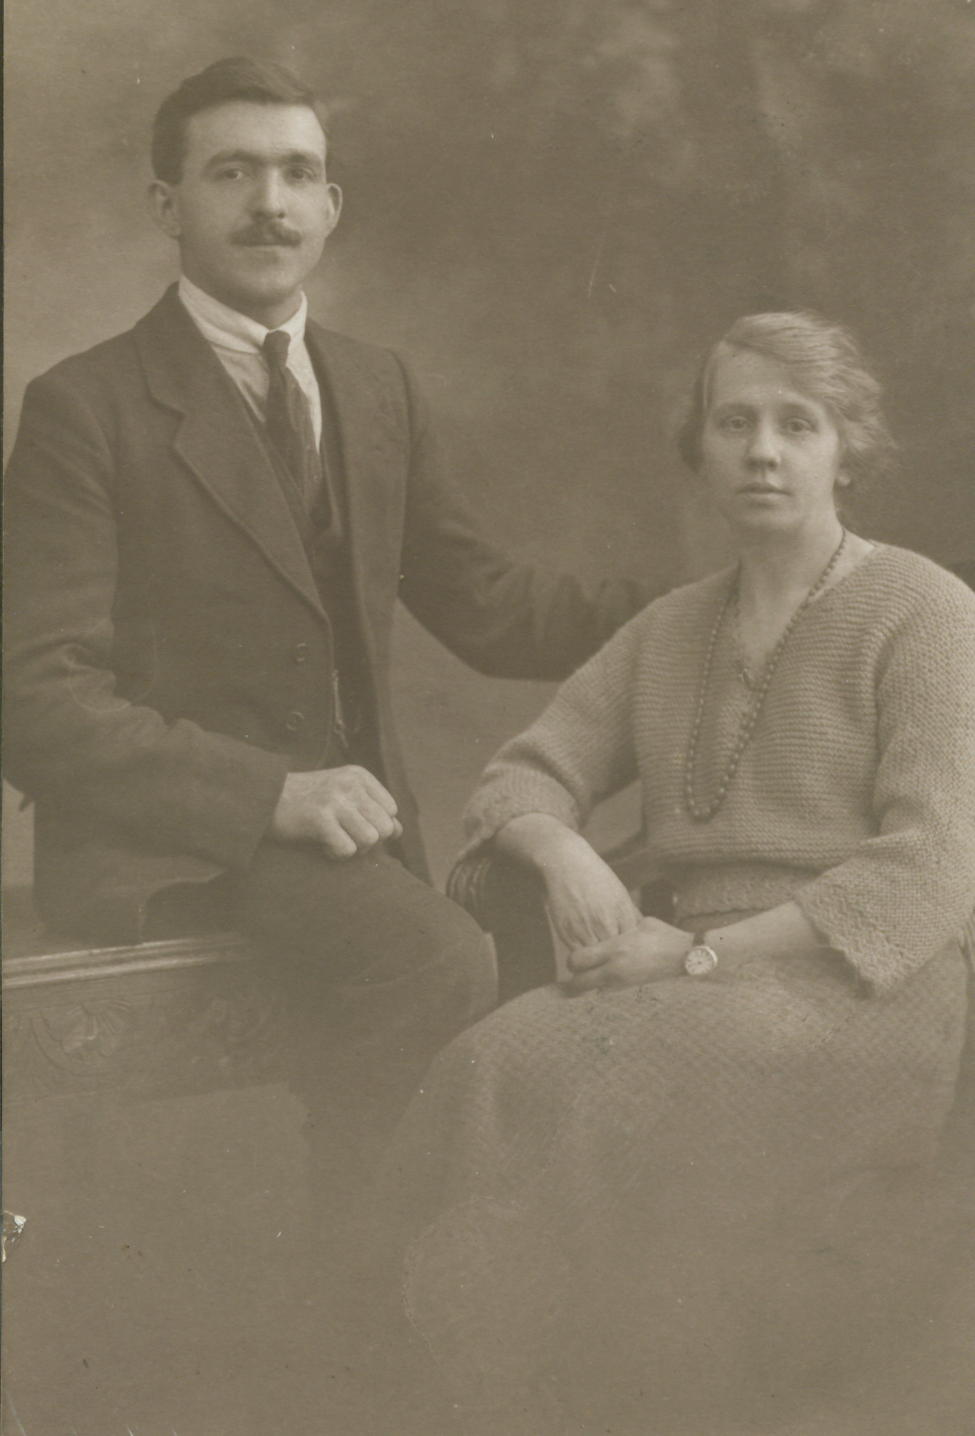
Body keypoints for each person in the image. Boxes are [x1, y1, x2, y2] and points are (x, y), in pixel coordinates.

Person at [2, 58, 649, 1215]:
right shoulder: (83, 406)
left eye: (298, 173)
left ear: (332, 204)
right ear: (166, 204)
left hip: (352, 842)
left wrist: (712, 602)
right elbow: (35, 701)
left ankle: (440, 1263)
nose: (272, 204)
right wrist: (272, 796)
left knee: (534, 928)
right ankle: (363, 1289)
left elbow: (490, 603)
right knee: (433, 957)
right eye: (233, 173)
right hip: (176, 842)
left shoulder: (372, 386)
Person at [372, 312, 975, 1433]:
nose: (762, 451)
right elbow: (520, 777)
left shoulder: (926, 613)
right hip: (677, 970)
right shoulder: (669, 629)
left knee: (591, 1088)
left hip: (861, 983)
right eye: (733, 422)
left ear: (849, 448)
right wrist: (560, 852)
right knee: (487, 1063)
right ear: (697, 448)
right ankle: (487, 1396)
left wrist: (697, 955)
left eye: (798, 424)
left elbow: (931, 869)